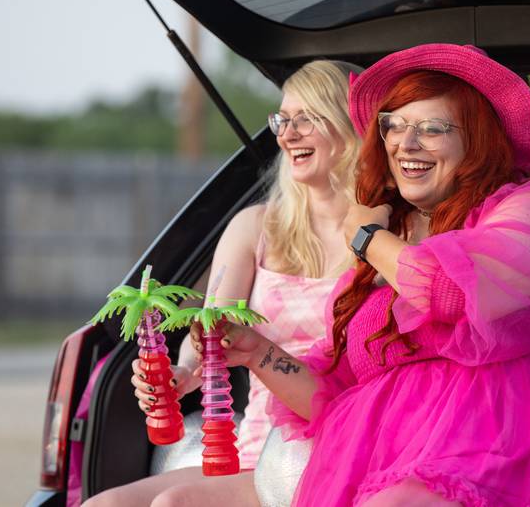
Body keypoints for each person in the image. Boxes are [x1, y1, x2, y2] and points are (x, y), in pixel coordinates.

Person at [192, 44, 530, 506]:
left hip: (493, 441)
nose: (405, 143)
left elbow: (449, 293)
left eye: (432, 128)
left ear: (478, 140)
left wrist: (364, 236)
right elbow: (332, 398)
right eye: (394, 126)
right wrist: (257, 352)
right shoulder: (388, 241)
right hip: (381, 459)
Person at [82, 59, 363, 507]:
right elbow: (208, 331)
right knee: (102, 505)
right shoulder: (256, 227)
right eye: (282, 120)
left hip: (337, 451)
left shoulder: (386, 238)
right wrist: (183, 375)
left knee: (172, 505)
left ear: (351, 125)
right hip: (251, 451)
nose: (287, 135)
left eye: (305, 118)